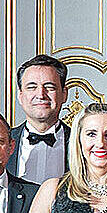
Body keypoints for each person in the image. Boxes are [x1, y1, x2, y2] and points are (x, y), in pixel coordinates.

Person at [9, 54, 70, 185]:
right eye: (31, 87)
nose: (41, 95)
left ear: (64, 94)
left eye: (50, 87)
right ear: (20, 96)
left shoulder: (82, 143)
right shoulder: (2, 143)